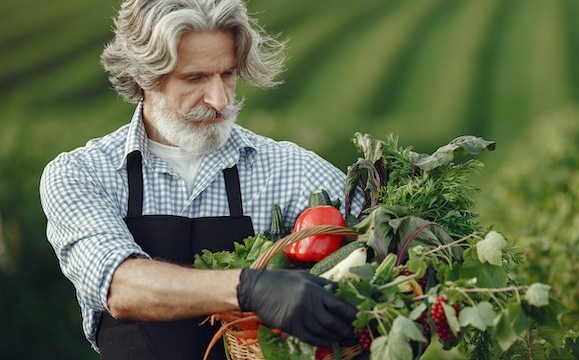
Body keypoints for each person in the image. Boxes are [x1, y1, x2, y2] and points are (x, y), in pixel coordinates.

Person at [39, 0, 363, 359]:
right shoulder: (84, 174)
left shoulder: (288, 168)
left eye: (226, 74)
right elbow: (121, 286)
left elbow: (382, 240)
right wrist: (250, 288)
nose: (220, 99)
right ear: (144, 76)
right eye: (195, 78)